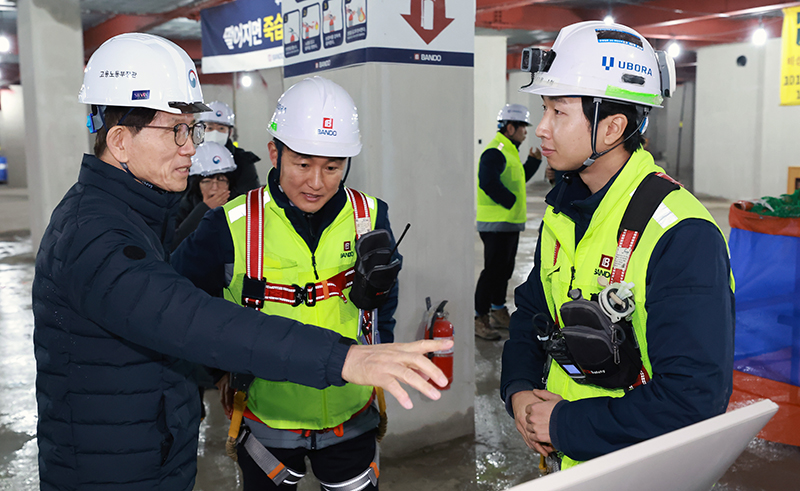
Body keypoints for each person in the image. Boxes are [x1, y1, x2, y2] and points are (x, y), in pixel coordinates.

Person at [33, 33, 450, 491]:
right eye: (177, 130)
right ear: (120, 141)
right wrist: (343, 358)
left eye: (191, 129)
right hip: (122, 466)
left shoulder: (133, 217)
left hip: (159, 450)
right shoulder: (94, 236)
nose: (192, 148)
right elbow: (192, 318)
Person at [500, 21, 734, 471]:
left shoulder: (682, 235)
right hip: (569, 465)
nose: (541, 130)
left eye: (558, 113)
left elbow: (692, 400)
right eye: (544, 110)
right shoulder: (565, 209)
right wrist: (519, 389)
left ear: (612, 128)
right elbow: (531, 312)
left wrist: (564, 425)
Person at [172, 76, 401, 491]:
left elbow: (385, 298)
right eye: (303, 164)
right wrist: (215, 370)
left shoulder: (370, 216)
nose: (317, 182)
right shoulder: (231, 224)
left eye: (332, 167)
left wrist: (380, 345)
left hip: (352, 416)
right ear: (275, 152)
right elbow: (179, 300)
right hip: (267, 422)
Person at [475, 104, 542, 340]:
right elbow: (487, 181)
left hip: (509, 223)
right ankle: (479, 317)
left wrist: (533, 163)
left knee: (504, 270)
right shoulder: (495, 151)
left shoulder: (510, 151)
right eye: (522, 127)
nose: (526, 132)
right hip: (495, 224)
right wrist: (510, 201)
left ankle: (497, 310)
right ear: (510, 127)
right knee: (492, 271)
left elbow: (516, 180)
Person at [172, 141, 237, 250]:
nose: (215, 187)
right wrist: (204, 208)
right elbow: (175, 243)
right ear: (197, 185)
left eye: (221, 180)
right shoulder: (183, 205)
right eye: (207, 181)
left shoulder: (241, 206)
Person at [197, 100, 261, 197]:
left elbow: (250, 196)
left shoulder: (243, 161)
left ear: (229, 132)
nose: (215, 133)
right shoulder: (193, 158)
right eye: (210, 128)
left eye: (221, 128)